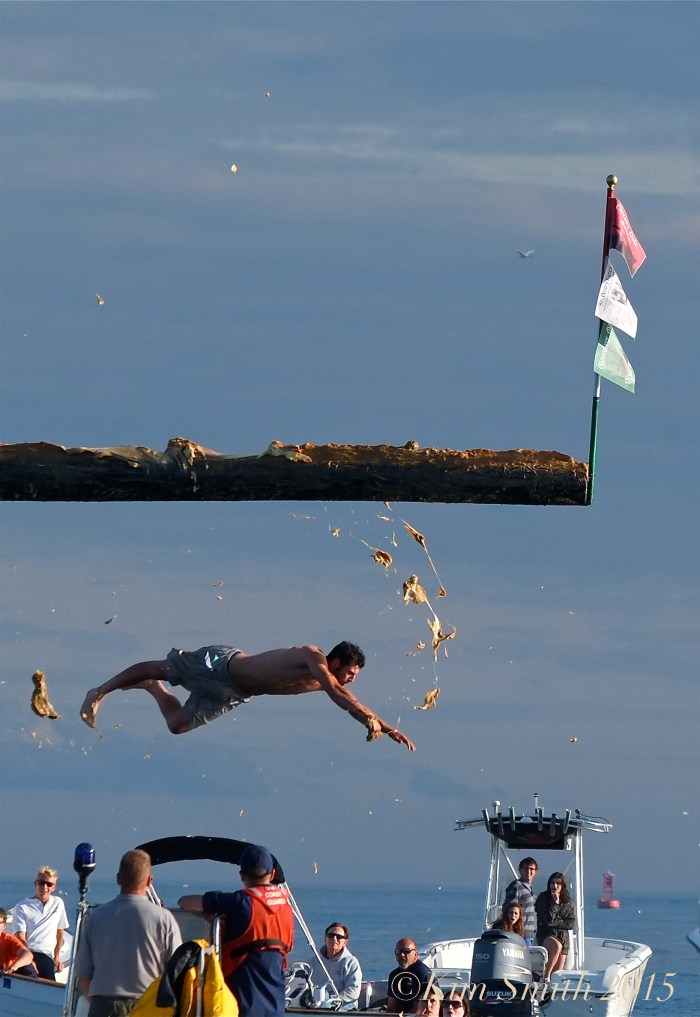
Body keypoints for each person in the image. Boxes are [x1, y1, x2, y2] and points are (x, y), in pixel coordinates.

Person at [80, 641, 415, 750]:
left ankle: (153, 690)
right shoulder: (314, 658)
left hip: (234, 692)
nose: (351, 681)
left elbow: (347, 695)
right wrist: (368, 721)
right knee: (162, 668)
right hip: (221, 664)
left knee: (178, 725)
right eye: (350, 674)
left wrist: (385, 726)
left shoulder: (328, 679)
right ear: (337, 662)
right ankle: (101, 690)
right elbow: (338, 692)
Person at [179, 843, 294, 1017]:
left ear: (242, 875)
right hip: (275, 1005)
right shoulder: (286, 907)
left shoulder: (240, 903)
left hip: (241, 1003)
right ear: (272, 874)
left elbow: (185, 901)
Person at [75, 848, 182, 1017]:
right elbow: (177, 974)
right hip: (149, 1006)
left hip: (104, 1006)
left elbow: (83, 975)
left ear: (118, 878)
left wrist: (98, 1003)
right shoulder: (164, 919)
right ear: (149, 881)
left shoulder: (96, 917)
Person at [12, 866, 69, 980]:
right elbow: (19, 937)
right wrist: (28, 958)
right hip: (29, 951)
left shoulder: (58, 903)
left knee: (48, 980)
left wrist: (56, 957)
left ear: (54, 887)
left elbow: (60, 931)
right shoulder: (22, 907)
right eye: (41, 883)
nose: (44, 887)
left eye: (49, 884)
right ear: (36, 884)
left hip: (46, 955)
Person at [305, 922, 362, 1009]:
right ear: (325, 939)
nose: (334, 939)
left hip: (345, 1005)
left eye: (339, 937)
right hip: (317, 1004)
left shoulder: (351, 962)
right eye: (331, 935)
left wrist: (332, 1000)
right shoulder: (313, 962)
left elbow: (353, 991)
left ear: (345, 942)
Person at [535, 872, 575, 979]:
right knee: (556, 946)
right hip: (546, 935)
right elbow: (548, 921)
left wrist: (557, 922)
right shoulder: (543, 898)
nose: (555, 886)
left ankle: (550, 989)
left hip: (563, 938)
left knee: (557, 974)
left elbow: (570, 923)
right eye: (552, 883)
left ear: (562, 886)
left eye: (558, 883)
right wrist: (555, 904)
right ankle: (546, 977)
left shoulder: (568, 902)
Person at [386, 938, 433, 1013]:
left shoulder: (423, 974)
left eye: (406, 951)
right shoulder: (394, 975)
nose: (402, 955)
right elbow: (391, 1007)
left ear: (416, 955)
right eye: (398, 952)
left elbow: (420, 1009)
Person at [503, 857, 538, 945]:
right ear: (520, 870)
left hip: (529, 935)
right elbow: (508, 909)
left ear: (535, 871)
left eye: (531, 869)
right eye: (525, 868)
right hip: (520, 934)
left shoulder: (529, 888)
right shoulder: (516, 886)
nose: (528, 871)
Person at [0, 907, 38, 977]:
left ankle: (32, 986)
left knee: (28, 967)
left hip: (5, 972)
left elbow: (27, 955)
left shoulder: (8, 939)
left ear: (4, 925)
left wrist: (13, 967)